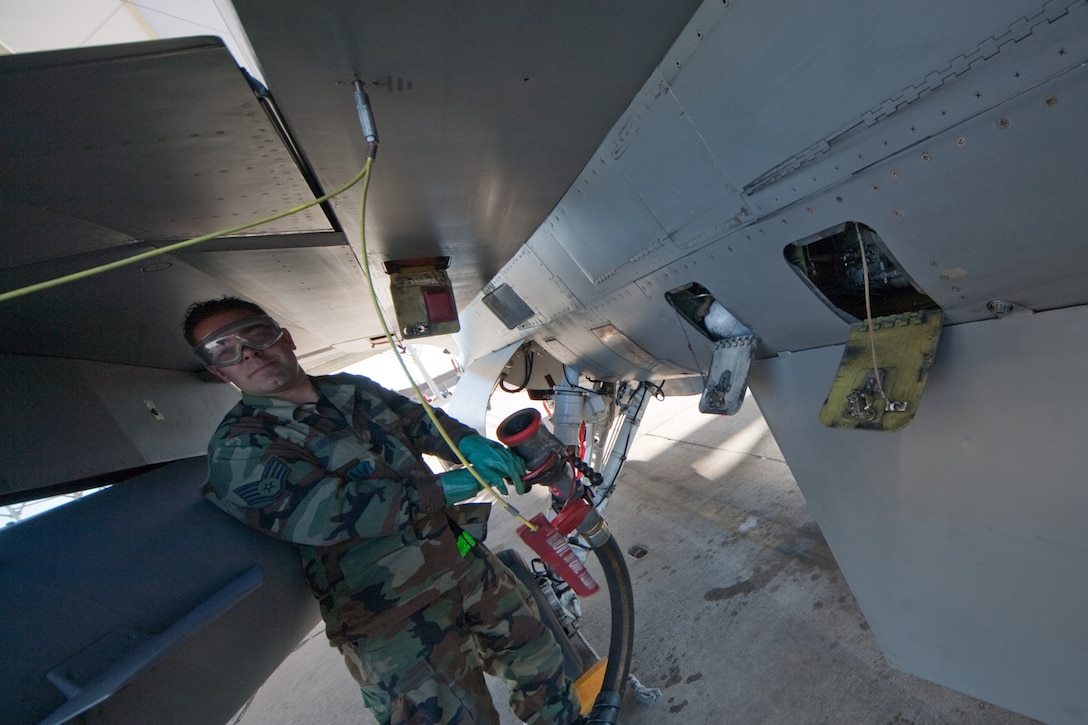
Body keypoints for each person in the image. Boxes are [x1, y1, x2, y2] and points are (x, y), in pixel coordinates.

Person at [182, 296, 583, 725]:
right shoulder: (238, 447)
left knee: (536, 655)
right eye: (223, 349)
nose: (248, 353)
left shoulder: (350, 388)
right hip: (389, 612)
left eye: (256, 334)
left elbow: (419, 419)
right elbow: (324, 513)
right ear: (216, 371)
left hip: (463, 552)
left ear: (285, 336)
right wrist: (447, 487)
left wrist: (466, 441)